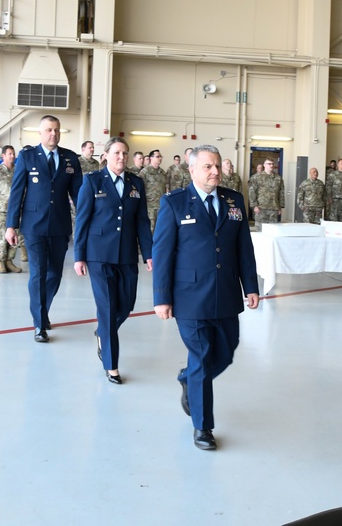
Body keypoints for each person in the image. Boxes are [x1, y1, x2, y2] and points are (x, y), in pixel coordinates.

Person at [153, 145, 259, 451]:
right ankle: (203, 427)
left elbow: (243, 249)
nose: (215, 172)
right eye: (208, 167)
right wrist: (162, 297)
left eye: (217, 166)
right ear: (192, 170)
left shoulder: (234, 200)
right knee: (201, 358)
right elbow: (162, 254)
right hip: (189, 297)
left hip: (225, 292)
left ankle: (188, 379)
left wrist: (250, 286)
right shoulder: (173, 203)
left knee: (225, 352)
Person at [74, 137, 153, 384]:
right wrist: (79, 256)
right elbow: (82, 221)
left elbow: (142, 221)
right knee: (107, 309)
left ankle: (102, 332)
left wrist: (149, 253)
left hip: (127, 254)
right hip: (99, 255)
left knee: (127, 304)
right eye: (117, 152)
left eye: (125, 153)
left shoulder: (136, 183)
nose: (121, 157)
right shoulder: (92, 181)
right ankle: (111, 365)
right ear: (106, 155)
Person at [5, 116, 83, 342]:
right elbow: (17, 193)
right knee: (38, 274)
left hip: (59, 226)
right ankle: (39, 323)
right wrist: (11, 225)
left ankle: (42, 309)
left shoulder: (70, 159)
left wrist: (88, 220)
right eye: (49, 130)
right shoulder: (28, 157)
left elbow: (78, 194)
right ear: (40, 133)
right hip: (33, 226)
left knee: (55, 274)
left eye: (57, 130)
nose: (53, 134)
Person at [0, 145, 23, 274]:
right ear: (3, 156)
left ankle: (9, 261)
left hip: (16, 210)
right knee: (0, 237)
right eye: (10, 154)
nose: (12, 156)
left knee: (14, 237)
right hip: (0, 210)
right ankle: (1, 262)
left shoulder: (18, 170)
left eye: (13, 154)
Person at [248, 158, 284, 228]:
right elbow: (252, 192)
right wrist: (254, 206)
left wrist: (280, 207)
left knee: (273, 230)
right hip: (261, 208)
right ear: (264, 165)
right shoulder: (256, 177)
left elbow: (281, 192)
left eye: (272, 164)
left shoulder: (278, 178)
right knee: (260, 230)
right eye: (269, 164)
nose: (271, 165)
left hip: (274, 208)